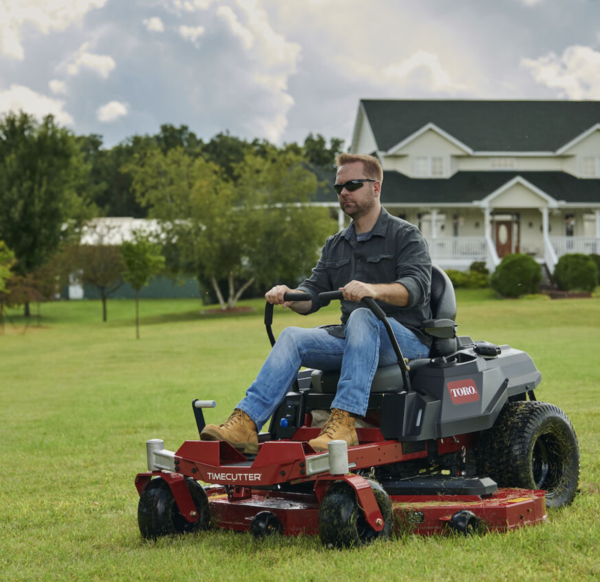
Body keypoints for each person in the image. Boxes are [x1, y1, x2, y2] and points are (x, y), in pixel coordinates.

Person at [200, 153, 432, 454]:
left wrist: (372, 291)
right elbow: (313, 294)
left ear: (375, 188)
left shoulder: (405, 235)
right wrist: (289, 294)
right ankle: (245, 424)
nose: (344, 193)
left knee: (362, 315)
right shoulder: (335, 245)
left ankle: (344, 423)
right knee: (293, 336)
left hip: (405, 339)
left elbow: (417, 288)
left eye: (352, 185)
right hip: (353, 337)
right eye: (339, 188)